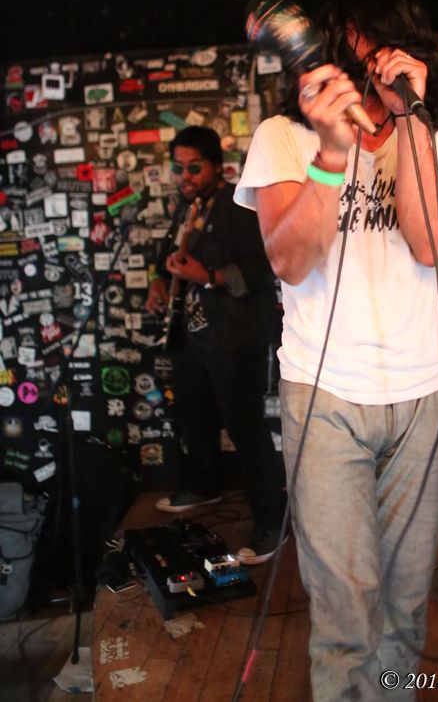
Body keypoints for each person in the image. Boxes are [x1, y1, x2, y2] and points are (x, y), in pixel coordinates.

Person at [234, 0, 438, 698]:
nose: (372, 71)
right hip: (325, 393)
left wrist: (412, 119)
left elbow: (432, 244)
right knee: (345, 606)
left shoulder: (437, 131)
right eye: (357, 55)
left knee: (406, 599)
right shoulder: (284, 136)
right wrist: (333, 151)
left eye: (386, 54)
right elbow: (289, 259)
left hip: (420, 392)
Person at [145, 125, 285, 565]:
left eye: (194, 168)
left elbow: (262, 267)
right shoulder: (187, 206)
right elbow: (167, 258)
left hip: (235, 337)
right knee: (195, 416)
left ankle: (273, 520)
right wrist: (157, 282)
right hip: (193, 336)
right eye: (178, 168)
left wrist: (206, 277)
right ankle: (204, 486)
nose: (184, 176)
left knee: (245, 426)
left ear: (217, 167)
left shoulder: (239, 205)